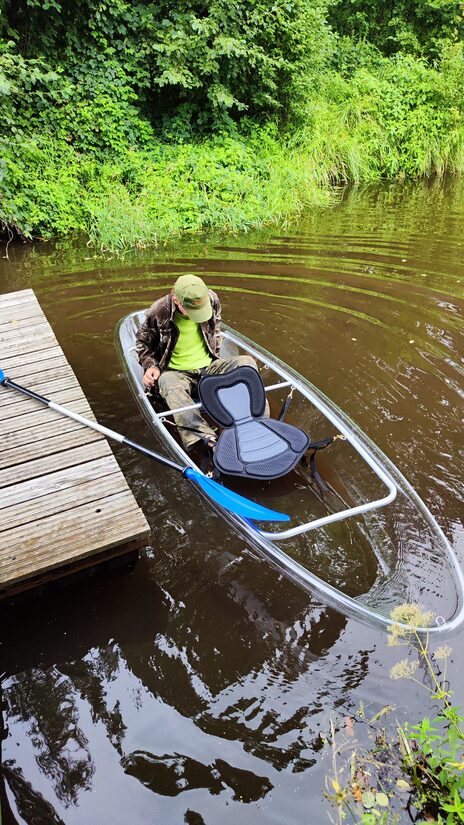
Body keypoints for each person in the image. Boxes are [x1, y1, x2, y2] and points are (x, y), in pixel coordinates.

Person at [135, 274, 262, 454]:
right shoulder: (158, 312)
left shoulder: (211, 299)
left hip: (209, 367)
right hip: (177, 373)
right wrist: (151, 367)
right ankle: (205, 440)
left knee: (247, 363)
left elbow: (216, 329)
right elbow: (142, 344)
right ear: (176, 300)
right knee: (167, 381)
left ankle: (255, 421)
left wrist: (216, 355)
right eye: (192, 311)